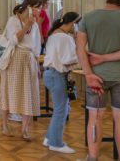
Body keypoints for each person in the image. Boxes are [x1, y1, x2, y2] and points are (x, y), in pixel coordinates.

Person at [77, 0, 120, 161]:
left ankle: (92, 157)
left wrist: (88, 73)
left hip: (96, 78)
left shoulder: (89, 17)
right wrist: (106, 58)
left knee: (95, 118)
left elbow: (79, 48)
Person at [0, 0, 42, 140]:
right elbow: (14, 40)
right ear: (28, 7)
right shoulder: (14, 20)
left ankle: (25, 129)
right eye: (37, 7)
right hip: (15, 58)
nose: (39, 11)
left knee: (28, 93)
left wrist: (37, 64)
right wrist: (26, 26)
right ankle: (4, 124)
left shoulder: (35, 25)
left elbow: (37, 46)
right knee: (9, 91)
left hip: (29, 59)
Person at [43, 11, 81, 154]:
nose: (76, 27)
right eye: (76, 24)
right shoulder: (65, 38)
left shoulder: (54, 34)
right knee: (61, 110)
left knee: (60, 109)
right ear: (72, 23)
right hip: (58, 75)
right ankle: (56, 143)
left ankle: (49, 138)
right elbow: (68, 60)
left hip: (50, 73)